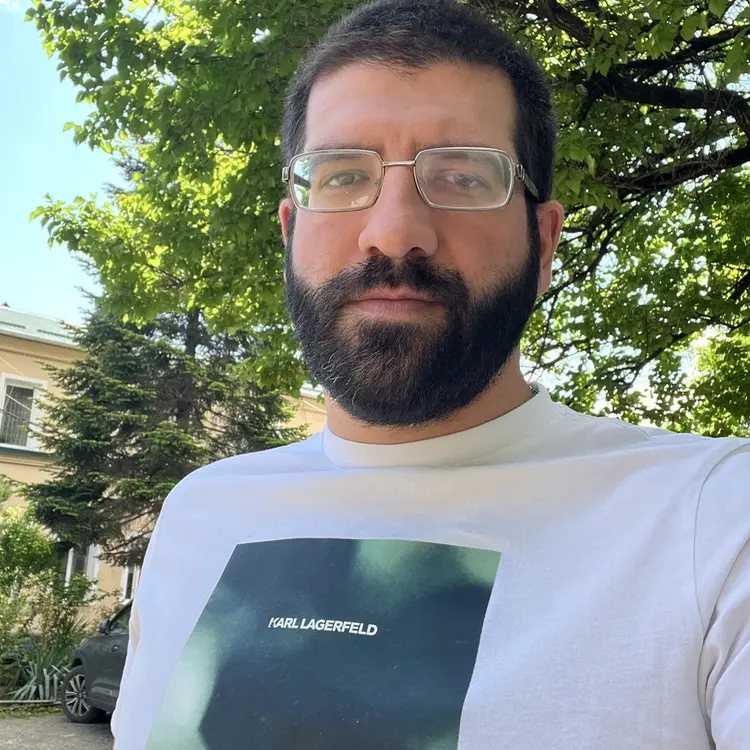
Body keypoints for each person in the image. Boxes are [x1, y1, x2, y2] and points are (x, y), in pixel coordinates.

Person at [111, 1, 750, 748]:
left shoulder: (713, 521)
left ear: (544, 245)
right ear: (291, 231)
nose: (392, 233)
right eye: (343, 176)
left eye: (462, 176)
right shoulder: (200, 513)